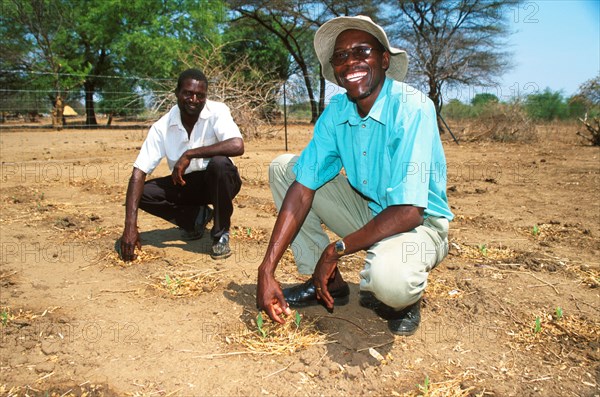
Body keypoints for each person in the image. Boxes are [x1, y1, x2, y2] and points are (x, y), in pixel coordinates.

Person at [256, 16, 453, 336]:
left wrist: (335, 250)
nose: (351, 62)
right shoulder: (337, 112)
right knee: (284, 168)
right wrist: (266, 270)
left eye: (362, 52)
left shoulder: (412, 108)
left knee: (389, 282)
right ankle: (327, 282)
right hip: (370, 212)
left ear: (384, 59)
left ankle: (405, 299)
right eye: (341, 56)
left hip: (418, 225)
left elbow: (409, 211)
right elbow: (304, 185)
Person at [119, 68, 244, 261]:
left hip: (220, 182)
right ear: (177, 93)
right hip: (186, 185)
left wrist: (190, 154)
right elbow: (139, 172)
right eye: (188, 93)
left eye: (200, 95)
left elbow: (237, 145)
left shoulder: (217, 111)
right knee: (141, 192)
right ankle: (195, 218)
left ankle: (220, 235)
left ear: (206, 97)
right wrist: (129, 227)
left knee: (219, 164)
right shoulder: (162, 126)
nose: (194, 99)